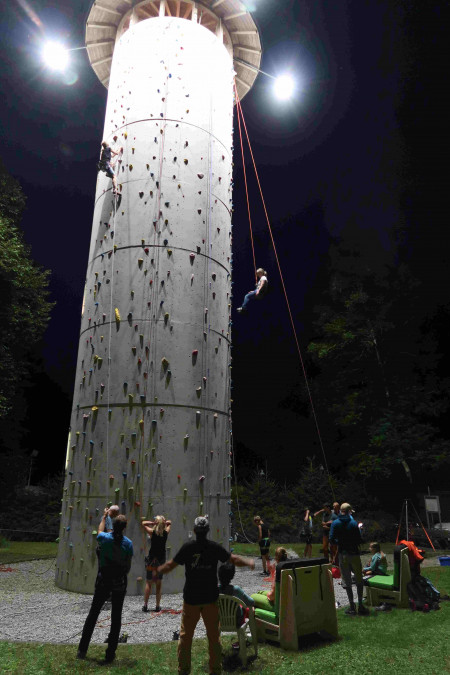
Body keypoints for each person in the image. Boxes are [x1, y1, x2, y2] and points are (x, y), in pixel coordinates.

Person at [157, 515, 255, 675]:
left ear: (195, 531)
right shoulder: (214, 547)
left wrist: (157, 571)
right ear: (208, 531)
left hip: (191, 600)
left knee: (185, 638)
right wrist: (249, 562)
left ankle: (183, 671)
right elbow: (234, 559)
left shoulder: (188, 547)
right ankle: (215, 671)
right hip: (210, 599)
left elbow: (171, 565)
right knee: (214, 639)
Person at [77, 514, 133, 663]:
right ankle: (110, 654)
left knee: (93, 614)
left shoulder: (105, 539)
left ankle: (82, 650)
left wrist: (103, 518)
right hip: (119, 583)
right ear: (124, 528)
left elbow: (100, 531)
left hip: (103, 581)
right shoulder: (128, 544)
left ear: (113, 527)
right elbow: (128, 566)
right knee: (116, 618)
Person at [329, 502, 369, 616]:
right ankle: (360, 605)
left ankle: (352, 606)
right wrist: (360, 532)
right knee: (359, 579)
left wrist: (340, 542)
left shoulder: (335, 523)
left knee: (346, 580)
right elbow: (358, 540)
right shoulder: (353, 523)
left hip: (343, 554)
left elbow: (331, 539)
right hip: (355, 554)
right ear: (349, 511)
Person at [141, 515, 172, 613]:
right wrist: (165, 521)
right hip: (161, 561)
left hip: (151, 560)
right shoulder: (166, 533)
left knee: (148, 583)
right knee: (158, 584)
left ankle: (145, 605)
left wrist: (153, 523)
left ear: (156, 523)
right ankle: (157, 606)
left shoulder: (152, 532)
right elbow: (169, 522)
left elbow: (143, 523)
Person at [251, 547, 288, 612]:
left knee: (252, 596)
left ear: (276, 558)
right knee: (260, 592)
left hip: (277, 604)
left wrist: (273, 574)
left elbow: (272, 596)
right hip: (286, 600)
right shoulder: (289, 568)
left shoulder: (279, 571)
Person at [218, 561, 255, 626]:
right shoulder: (236, 590)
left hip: (220, 621)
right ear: (232, 575)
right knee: (247, 608)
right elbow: (251, 602)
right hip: (236, 621)